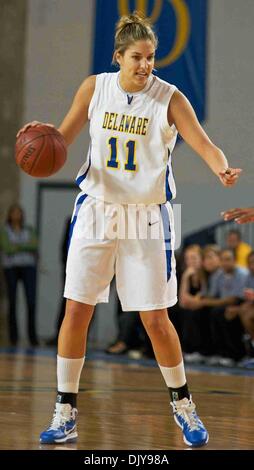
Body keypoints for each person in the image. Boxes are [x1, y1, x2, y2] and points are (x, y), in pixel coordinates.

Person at [17, 12, 241, 447]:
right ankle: (65, 411)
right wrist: (37, 142)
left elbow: (202, 142)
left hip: (146, 216)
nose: (145, 65)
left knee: (156, 318)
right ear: (118, 56)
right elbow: (60, 141)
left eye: (151, 57)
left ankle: (184, 408)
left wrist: (221, 168)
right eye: (137, 57)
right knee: (77, 310)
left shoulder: (169, 97)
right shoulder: (94, 88)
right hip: (97, 210)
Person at [0, 204, 38, 346]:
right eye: (14, 212)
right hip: (11, 268)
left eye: (19, 213)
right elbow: (7, 248)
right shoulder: (5, 231)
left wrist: (17, 246)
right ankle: (13, 338)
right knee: (13, 302)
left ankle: (32, 338)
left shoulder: (29, 229)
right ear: (9, 215)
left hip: (28, 267)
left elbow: (34, 245)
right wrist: (24, 246)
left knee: (31, 302)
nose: (16, 215)